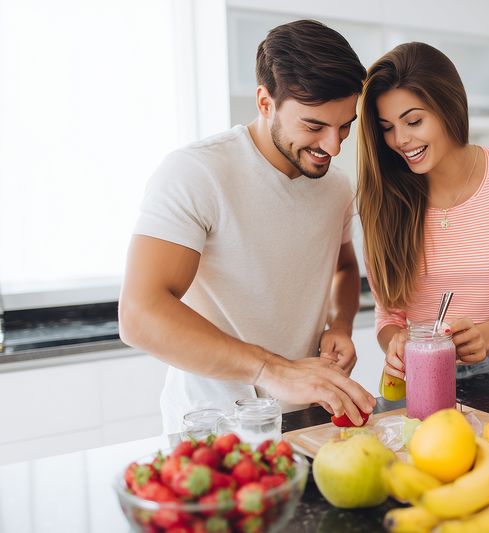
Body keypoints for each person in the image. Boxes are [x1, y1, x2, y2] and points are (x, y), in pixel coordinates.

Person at [119, 19, 375, 434]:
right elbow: (139, 314)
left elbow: (343, 269)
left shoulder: (335, 188)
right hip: (209, 426)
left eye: (345, 125)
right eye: (313, 126)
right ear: (264, 101)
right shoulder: (197, 172)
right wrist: (270, 368)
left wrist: (341, 325)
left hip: (304, 418)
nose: (333, 146)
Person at [357, 42, 489, 384]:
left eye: (413, 121)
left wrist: (486, 336)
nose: (400, 140)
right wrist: (397, 343)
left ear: (448, 107)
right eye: (387, 127)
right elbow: (388, 316)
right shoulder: (384, 196)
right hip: (418, 376)